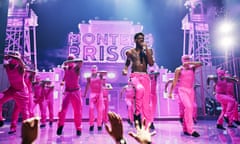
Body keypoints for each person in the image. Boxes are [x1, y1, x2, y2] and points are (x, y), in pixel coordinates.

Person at [122, 32, 154, 128]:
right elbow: (127, 63)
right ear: (135, 40)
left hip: (145, 76)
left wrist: (147, 49)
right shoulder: (130, 52)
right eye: (140, 38)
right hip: (134, 76)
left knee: (146, 103)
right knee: (139, 89)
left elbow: (151, 63)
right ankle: (137, 113)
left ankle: (147, 124)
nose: (142, 40)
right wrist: (125, 69)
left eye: (143, 38)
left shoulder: (148, 51)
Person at [169, 55, 202, 137]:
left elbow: (201, 63)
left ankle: (185, 129)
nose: (186, 60)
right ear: (182, 60)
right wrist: (170, 92)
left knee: (188, 110)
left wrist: (190, 63)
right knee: (188, 107)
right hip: (182, 90)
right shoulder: (179, 69)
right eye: (185, 59)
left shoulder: (192, 68)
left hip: (191, 91)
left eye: (188, 59)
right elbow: (175, 81)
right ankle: (191, 130)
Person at [0, 51, 30, 134]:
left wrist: (12, 56)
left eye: (15, 56)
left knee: (24, 112)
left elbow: (19, 61)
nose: (13, 58)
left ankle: (27, 130)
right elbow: (5, 61)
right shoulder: (7, 66)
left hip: (22, 92)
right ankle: (1, 120)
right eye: (12, 56)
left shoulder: (21, 68)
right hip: (12, 89)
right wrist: (7, 57)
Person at [57, 54, 83, 136]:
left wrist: (72, 61)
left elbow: (81, 62)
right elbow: (64, 77)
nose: (70, 60)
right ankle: (60, 126)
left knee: (77, 111)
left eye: (71, 59)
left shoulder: (76, 68)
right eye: (69, 59)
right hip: (68, 92)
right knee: (62, 111)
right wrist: (63, 82)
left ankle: (78, 128)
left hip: (76, 92)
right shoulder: (66, 69)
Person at [83, 65, 104, 132]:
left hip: (99, 94)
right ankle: (91, 125)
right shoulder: (89, 78)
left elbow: (103, 78)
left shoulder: (100, 76)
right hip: (92, 94)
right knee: (91, 109)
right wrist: (85, 93)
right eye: (92, 69)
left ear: (97, 70)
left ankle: (99, 125)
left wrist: (101, 75)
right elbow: (87, 85)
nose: (93, 70)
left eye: (95, 69)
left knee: (99, 110)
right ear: (91, 70)